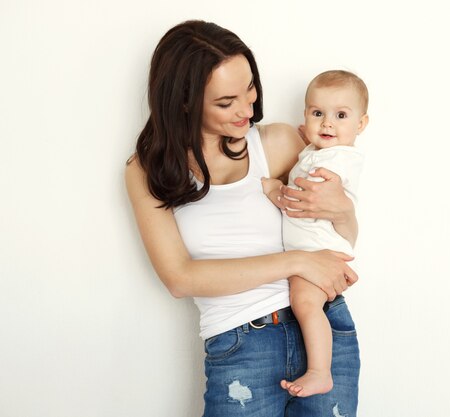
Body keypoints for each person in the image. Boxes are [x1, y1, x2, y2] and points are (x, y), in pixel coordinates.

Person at [125, 20, 361, 416]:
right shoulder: (148, 171)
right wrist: (298, 262)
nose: (247, 109)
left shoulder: (281, 142)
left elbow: (336, 232)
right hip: (240, 345)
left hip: (323, 324)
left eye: (249, 88)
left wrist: (344, 210)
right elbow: (180, 278)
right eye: (225, 101)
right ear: (183, 100)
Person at [262, 70, 369, 398]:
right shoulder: (318, 153)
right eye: (317, 113)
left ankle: (320, 371)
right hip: (313, 250)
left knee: (305, 303)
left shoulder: (340, 158)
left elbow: (306, 197)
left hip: (319, 252)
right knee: (303, 303)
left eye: (340, 115)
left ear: (361, 125)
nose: (327, 124)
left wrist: (275, 192)